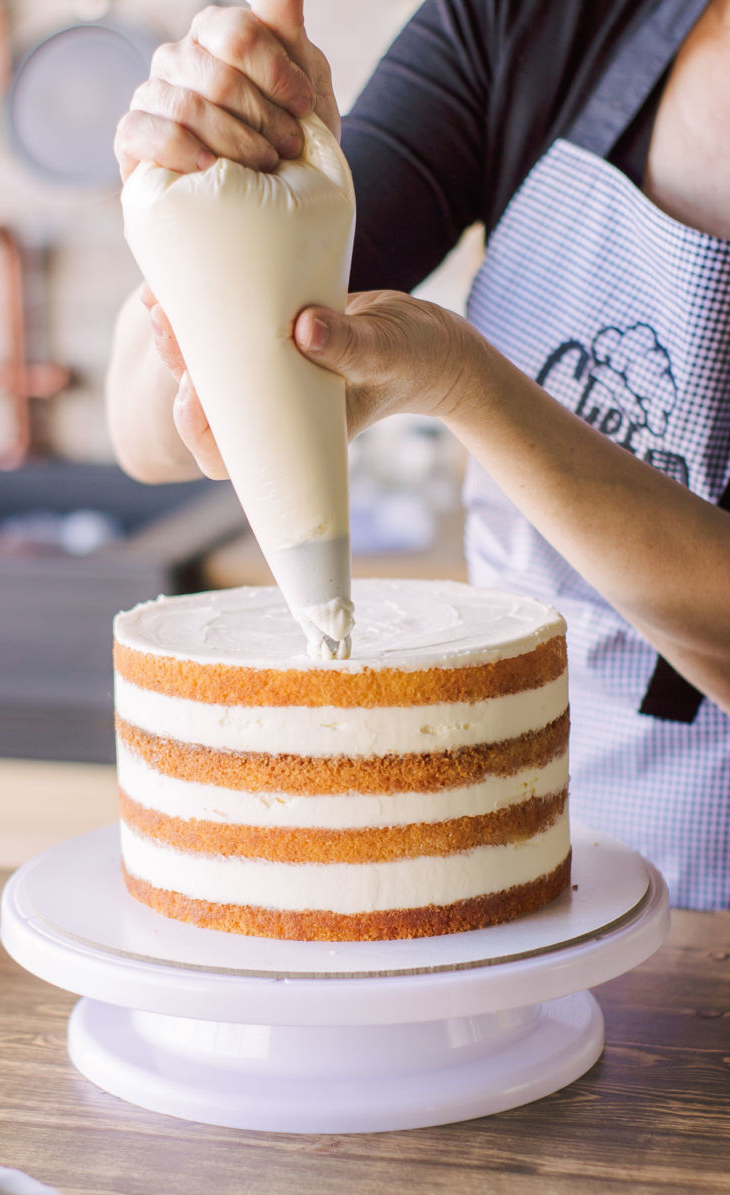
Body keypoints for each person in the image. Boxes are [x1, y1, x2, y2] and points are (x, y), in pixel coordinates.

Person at [106, 0, 730, 909]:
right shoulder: (532, 23)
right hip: (502, 900)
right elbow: (146, 429)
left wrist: (465, 383)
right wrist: (210, 209)